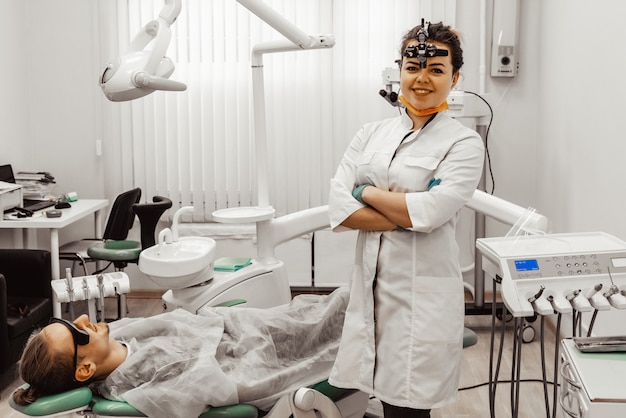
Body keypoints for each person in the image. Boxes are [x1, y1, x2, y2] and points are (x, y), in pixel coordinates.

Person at [327, 21, 484, 418]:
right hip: (371, 293)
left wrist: (366, 193)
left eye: (436, 69)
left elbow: (430, 213)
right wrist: (404, 211)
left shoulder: (463, 143)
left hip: (421, 303)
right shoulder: (370, 134)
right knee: (371, 394)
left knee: (408, 409)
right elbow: (338, 206)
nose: (422, 79)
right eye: (413, 67)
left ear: (455, 77)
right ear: (399, 71)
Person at [13, 288, 349, 418]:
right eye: (76, 332)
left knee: (335, 304)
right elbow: (217, 385)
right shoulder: (143, 378)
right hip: (259, 356)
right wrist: (237, 341)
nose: (84, 319)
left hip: (247, 328)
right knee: (348, 314)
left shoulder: (123, 338)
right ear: (84, 369)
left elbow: (183, 323)